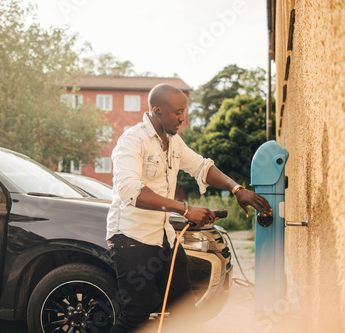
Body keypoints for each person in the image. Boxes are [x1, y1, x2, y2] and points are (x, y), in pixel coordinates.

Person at [106, 83, 272, 332]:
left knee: (185, 311)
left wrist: (237, 189)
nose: (183, 118)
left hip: (165, 240)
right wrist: (185, 209)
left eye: (184, 111)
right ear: (157, 111)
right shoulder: (132, 141)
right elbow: (131, 191)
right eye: (178, 112)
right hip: (130, 239)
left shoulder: (174, 143)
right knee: (136, 315)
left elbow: (202, 167)